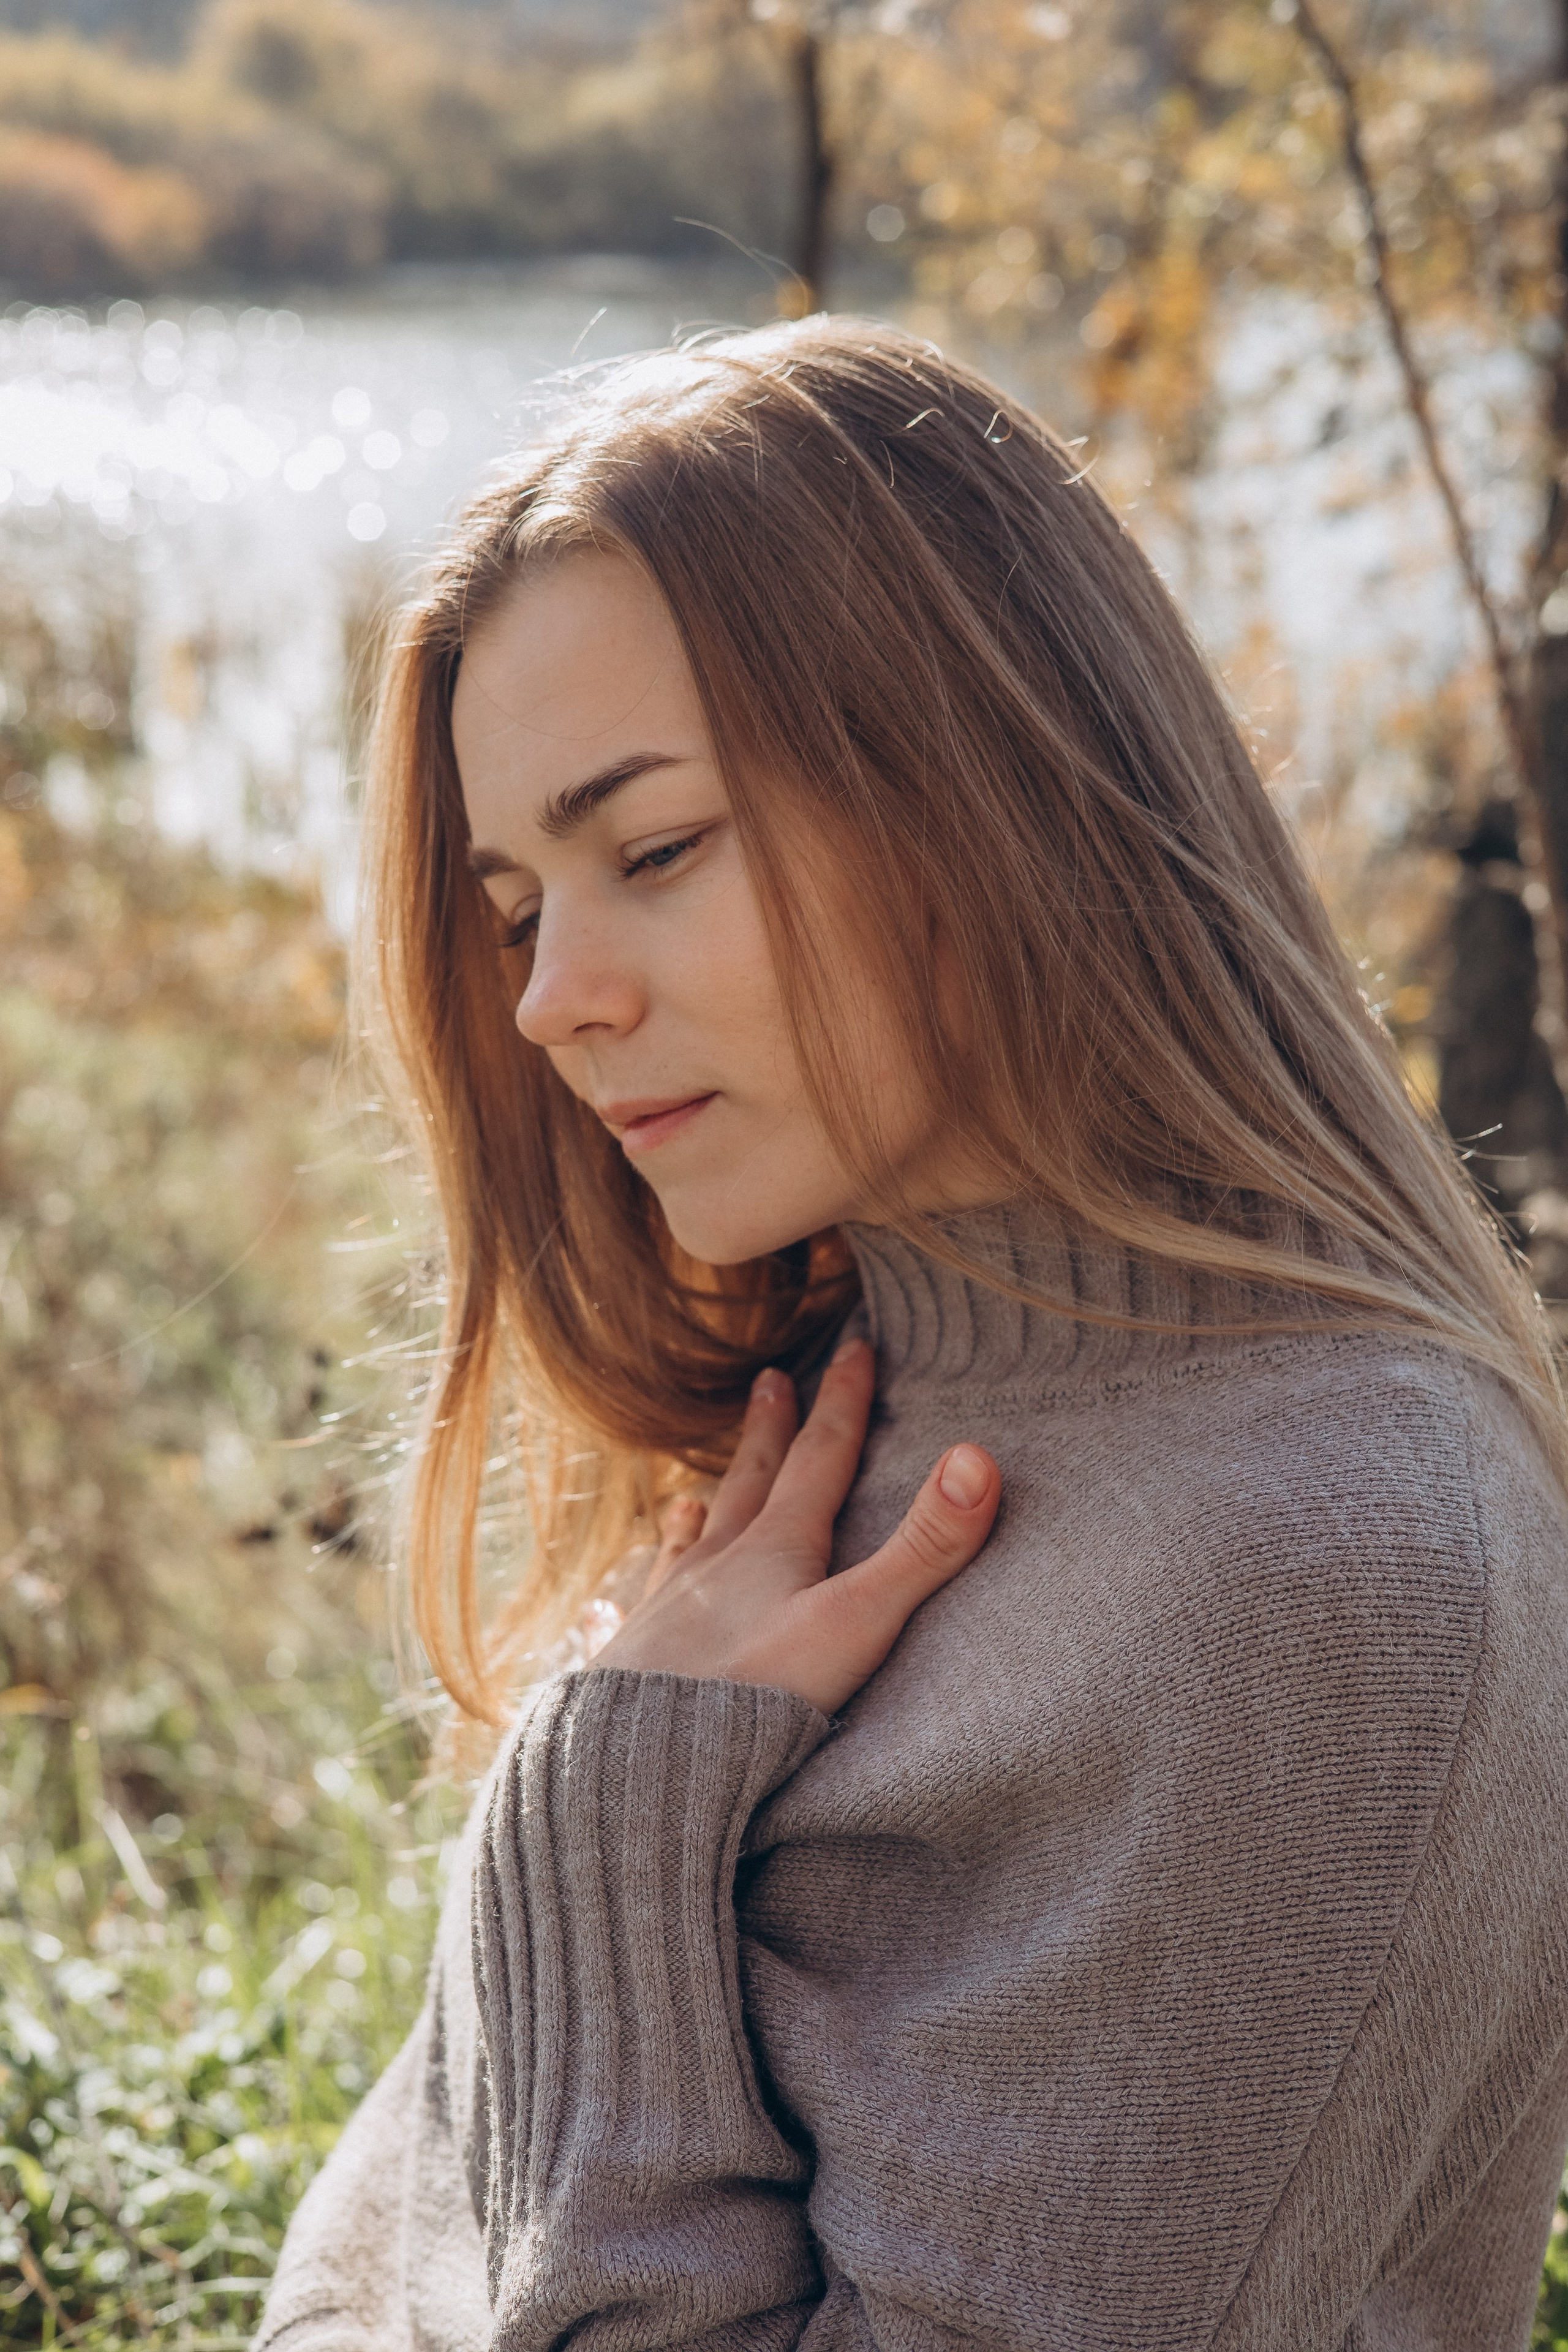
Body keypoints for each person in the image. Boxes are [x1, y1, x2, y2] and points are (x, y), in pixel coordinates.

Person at [255, 317, 1568, 2352]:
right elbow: (365, 2267)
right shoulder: (793, 1441)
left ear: (988, 789)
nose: (549, 998)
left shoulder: (1332, 1569)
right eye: (519, 907)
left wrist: (600, 1820)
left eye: (656, 851)